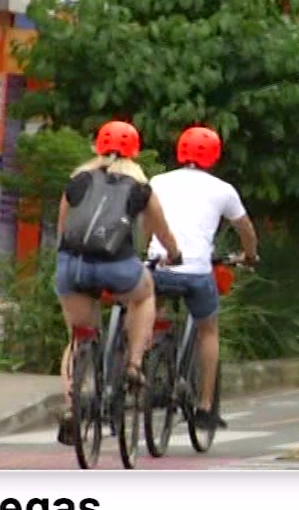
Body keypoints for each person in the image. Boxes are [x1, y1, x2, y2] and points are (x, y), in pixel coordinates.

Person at [54, 120, 183, 446]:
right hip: (117, 265)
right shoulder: (139, 187)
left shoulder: (78, 179)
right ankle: (134, 366)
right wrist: (174, 253)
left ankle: (71, 406)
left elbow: (62, 228)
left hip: (73, 265)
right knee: (144, 295)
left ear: (97, 146)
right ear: (135, 151)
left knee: (77, 336)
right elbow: (162, 231)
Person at [148, 126, 259, 435]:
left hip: (159, 266)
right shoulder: (223, 189)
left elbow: (147, 219)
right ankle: (206, 406)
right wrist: (250, 255)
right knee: (208, 331)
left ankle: (143, 362)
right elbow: (246, 229)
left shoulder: (157, 181)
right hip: (196, 272)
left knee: (146, 307)